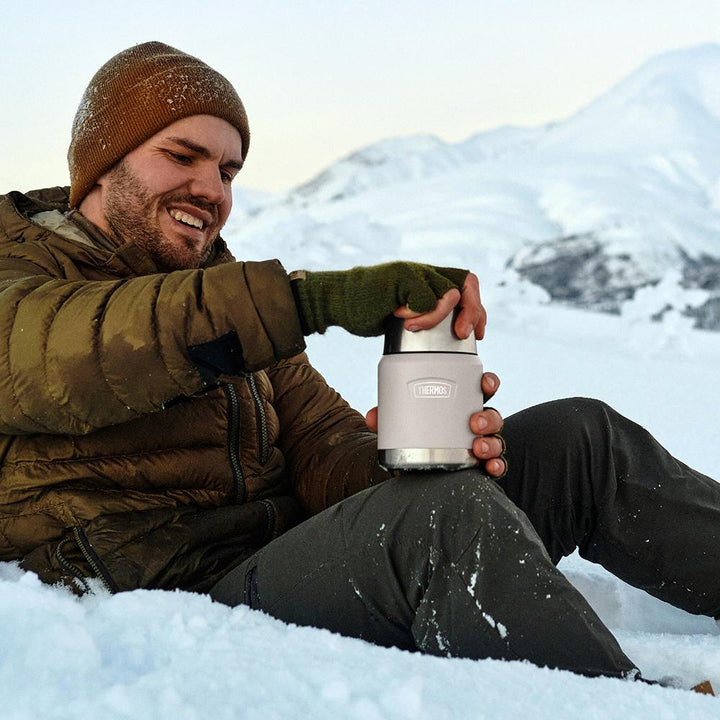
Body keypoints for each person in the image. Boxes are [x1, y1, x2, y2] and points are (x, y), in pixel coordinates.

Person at [0, 41, 718, 685]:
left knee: (578, 439)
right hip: (167, 597)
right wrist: (322, 298)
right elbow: (71, 355)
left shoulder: (226, 300)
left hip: (285, 559)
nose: (212, 191)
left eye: (227, 170)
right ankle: (627, 707)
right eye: (182, 157)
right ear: (101, 165)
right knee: (442, 519)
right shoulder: (22, 275)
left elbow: (321, 450)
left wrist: (408, 458)